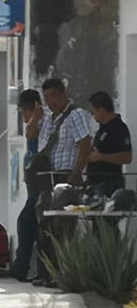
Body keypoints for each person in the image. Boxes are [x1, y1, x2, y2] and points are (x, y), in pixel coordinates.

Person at [31, 78, 93, 288]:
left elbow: (85, 144)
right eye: (47, 97)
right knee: (44, 226)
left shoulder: (76, 115)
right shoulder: (49, 118)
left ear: (63, 93)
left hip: (66, 177)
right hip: (47, 178)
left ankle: (62, 274)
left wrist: (76, 173)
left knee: (63, 227)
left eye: (54, 95)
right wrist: (36, 117)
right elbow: (31, 134)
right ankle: (47, 273)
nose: (51, 101)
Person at [11, 89, 43, 282]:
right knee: (34, 225)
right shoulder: (35, 122)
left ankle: (21, 267)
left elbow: (32, 136)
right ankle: (32, 268)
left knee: (26, 221)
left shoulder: (40, 123)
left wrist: (36, 118)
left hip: (41, 182)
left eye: (24, 111)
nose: (23, 117)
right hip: (33, 181)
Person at [87, 91, 132, 198]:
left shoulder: (119, 128)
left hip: (109, 184)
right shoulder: (102, 129)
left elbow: (126, 157)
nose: (92, 116)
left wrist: (100, 157)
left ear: (101, 110)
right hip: (95, 184)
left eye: (93, 112)